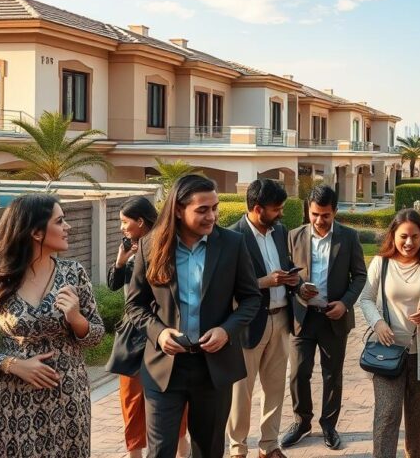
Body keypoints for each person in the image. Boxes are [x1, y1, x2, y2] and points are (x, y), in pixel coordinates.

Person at [0, 193, 106, 457]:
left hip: (68, 399)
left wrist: (76, 318)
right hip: (13, 402)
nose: (68, 227)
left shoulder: (74, 273)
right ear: (37, 232)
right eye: (60, 221)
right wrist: (12, 365)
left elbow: (96, 335)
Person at [125, 174, 261, 458]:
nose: (211, 216)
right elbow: (135, 305)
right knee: (160, 451)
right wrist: (160, 333)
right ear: (178, 209)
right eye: (202, 210)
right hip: (164, 367)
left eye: (214, 208)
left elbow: (251, 298)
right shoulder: (151, 246)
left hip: (213, 367)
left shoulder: (232, 244)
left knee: (209, 451)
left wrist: (227, 330)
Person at [358, 208, 420, 458]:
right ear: (393, 235)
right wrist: (378, 323)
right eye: (403, 236)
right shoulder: (381, 264)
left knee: (419, 421)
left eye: (415, 236)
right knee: (386, 415)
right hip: (387, 354)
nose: (409, 242)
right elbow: (366, 299)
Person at [281, 185, 367, 451]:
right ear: (309, 209)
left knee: (332, 375)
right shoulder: (293, 236)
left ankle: (329, 425)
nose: (319, 220)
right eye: (315, 214)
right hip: (302, 317)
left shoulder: (349, 237)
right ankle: (301, 422)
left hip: (334, 317)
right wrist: (298, 288)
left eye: (325, 215)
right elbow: (287, 275)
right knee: (298, 374)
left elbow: (360, 275)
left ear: (335, 212)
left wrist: (345, 303)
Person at [107, 196, 191, 458]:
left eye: (125, 222)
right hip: (133, 335)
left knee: (172, 395)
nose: (121, 227)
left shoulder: (165, 246)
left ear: (140, 221)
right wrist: (121, 261)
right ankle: (135, 455)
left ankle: (182, 450)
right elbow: (113, 285)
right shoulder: (131, 247)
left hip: (163, 332)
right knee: (132, 399)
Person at [226, 180, 300, 458]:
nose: (281, 213)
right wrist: (265, 282)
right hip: (248, 324)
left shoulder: (279, 232)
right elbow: (226, 287)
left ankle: (269, 446)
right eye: (276, 209)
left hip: (281, 320)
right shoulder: (232, 237)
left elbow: (285, 267)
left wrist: (297, 282)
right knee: (241, 393)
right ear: (258, 209)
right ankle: (237, 448)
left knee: (275, 388)